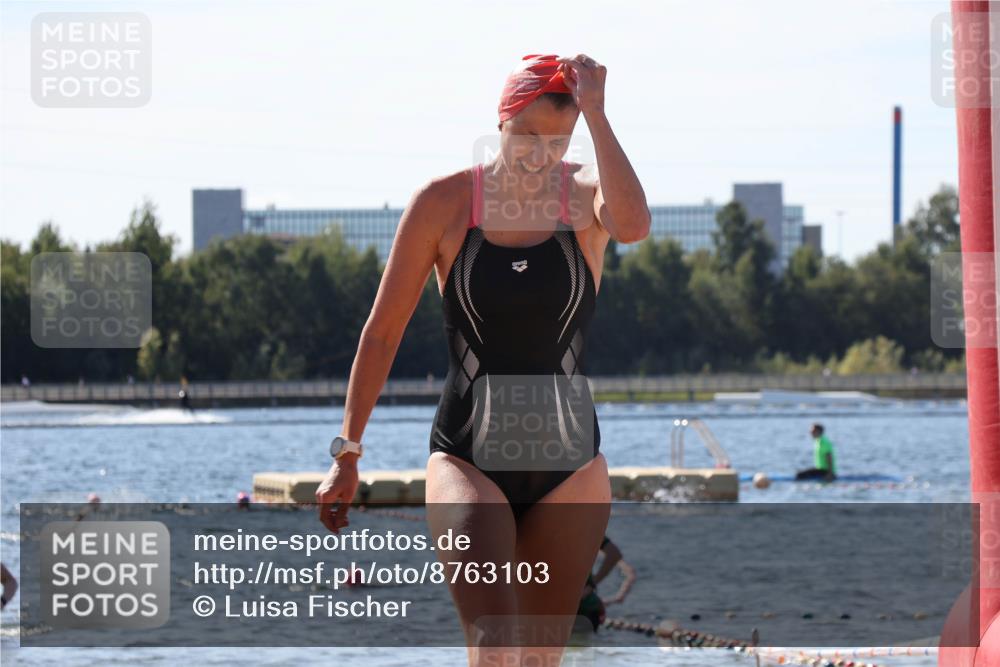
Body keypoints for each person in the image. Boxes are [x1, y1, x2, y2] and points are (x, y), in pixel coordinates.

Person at [315, 53, 650, 666]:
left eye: (557, 141)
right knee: (495, 647)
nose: (537, 155)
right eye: (525, 136)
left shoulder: (583, 197)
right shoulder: (442, 204)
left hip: (571, 467)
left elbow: (633, 225)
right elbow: (382, 333)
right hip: (470, 457)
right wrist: (348, 453)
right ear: (500, 122)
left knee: (542, 658)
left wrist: (598, 114)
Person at [576, 535, 636, 632]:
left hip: (571, 609)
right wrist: (592, 583)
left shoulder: (551, 526)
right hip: (588, 608)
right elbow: (614, 554)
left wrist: (592, 583)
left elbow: (614, 554)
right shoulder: (589, 530)